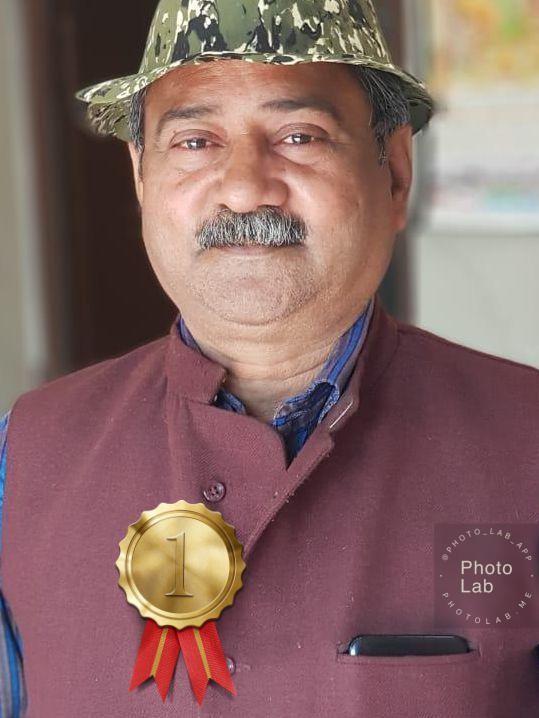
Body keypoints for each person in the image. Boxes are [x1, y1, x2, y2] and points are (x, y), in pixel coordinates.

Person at [0, 1, 538, 716]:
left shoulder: (526, 437)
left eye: (298, 135)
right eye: (195, 141)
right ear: (140, 177)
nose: (244, 186)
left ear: (395, 173)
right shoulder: (25, 453)